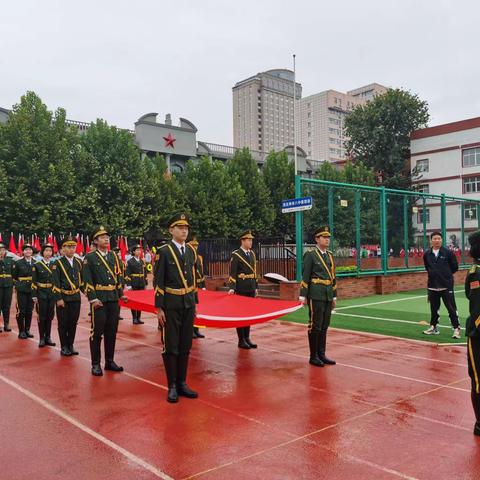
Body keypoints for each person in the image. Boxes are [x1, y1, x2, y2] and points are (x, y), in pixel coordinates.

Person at [154, 213, 199, 403]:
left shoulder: (190, 251)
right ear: (171, 230)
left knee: (185, 345)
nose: (184, 231)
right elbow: (159, 281)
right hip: (171, 305)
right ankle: (171, 385)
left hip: (187, 304)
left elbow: (193, 279)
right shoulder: (163, 251)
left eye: (186, 228)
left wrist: (194, 303)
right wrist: (159, 308)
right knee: (171, 346)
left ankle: (182, 383)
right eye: (180, 227)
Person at [82, 227, 126, 376]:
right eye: (101, 237)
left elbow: (118, 276)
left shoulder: (114, 256)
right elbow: (86, 280)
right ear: (95, 241)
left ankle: (109, 361)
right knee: (97, 332)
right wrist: (92, 298)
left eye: (107, 236)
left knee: (111, 331)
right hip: (99, 299)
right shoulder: (90, 258)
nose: (106, 239)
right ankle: (95, 364)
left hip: (113, 298)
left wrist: (120, 293)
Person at [299, 226, 337, 367]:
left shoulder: (329, 255)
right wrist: (303, 295)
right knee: (315, 325)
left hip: (327, 293)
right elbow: (305, 276)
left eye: (328, 237)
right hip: (316, 294)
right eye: (324, 237)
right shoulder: (311, 255)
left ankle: (322, 354)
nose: (327, 240)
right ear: (317, 239)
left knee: (325, 325)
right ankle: (313, 356)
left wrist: (334, 296)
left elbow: (333, 277)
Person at [422, 231, 460, 338]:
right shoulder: (427, 254)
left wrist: (445, 276)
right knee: (434, 309)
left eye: (439, 238)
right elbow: (427, 268)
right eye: (435, 238)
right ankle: (433, 327)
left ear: (441, 240)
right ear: (431, 240)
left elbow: (455, 267)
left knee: (451, 308)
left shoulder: (448, 253)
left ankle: (456, 328)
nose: (437, 240)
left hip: (446, 285)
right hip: (433, 285)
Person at [52, 236, 83, 356]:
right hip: (63, 297)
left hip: (75, 297)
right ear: (63, 248)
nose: (71, 249)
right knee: (63, 323)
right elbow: (55, 282)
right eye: (68, 247)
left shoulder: (78, 262)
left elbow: (82, 281)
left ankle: (71, 344)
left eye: (73, 246)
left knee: (73, 322)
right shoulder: (57, 263)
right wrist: (58, 298)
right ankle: (64, 346)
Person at [227, 229, 258, 349]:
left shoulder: (252, 254)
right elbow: (233, 273)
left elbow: (254, 272)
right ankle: (241, 339)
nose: (251, 242)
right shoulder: (236, 255)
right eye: (249, 240)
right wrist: (232, 288)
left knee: (249, 314)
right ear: (242, 241)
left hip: (250, 287)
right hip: (241, 288)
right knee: (241, 315)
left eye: (251, 240)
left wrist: (256, 287)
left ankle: (247, 337)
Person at [464, 230, 480, 436]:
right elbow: (477, 306)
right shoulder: (476, 271)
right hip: (479, 334)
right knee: (479, 380)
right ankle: (479, 423)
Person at [32, 243, 56, 348]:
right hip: (41, 293)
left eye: (50, 251)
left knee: (50, 316)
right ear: (42, 252)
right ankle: (42, 338)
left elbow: (56, 281)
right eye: (46, 250)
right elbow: (34, 281)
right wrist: (34, 295)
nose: (48, 253)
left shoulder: (55, 265)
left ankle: (48, 337)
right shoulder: (37, 265)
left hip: (51, 292)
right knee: (42, 316)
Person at [12, 243, 35, 339]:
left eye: (30, 250)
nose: (28, 251)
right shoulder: (18, 263)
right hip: (21, 289)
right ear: (23, 251)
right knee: (21, 310)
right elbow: (14, 277)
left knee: (30, 310)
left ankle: (27, 329)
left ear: (32, 251)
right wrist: (18, 286)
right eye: (26, 250)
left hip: (32, 289)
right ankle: (21, 331)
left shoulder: (36, 263)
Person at [125, 244, 147, 324]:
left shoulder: (142, 261)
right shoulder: (130, 261)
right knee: (134, 301)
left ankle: (139, 317)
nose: (139, 251)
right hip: (134, 282)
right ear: (133, 252)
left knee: (140, 301)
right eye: (137, 250)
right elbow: (127, 273)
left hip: (141, 282)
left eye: (140, 250)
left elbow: (145, 272)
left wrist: (146, 282)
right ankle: (134, 318)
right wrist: (129, 285)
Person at [188, 236, 206, 339]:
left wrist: (203, 285)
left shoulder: (199, 257)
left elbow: (201, 272)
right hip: (191, 286)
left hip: (199, 285)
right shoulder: (189, 256)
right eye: (193, 245)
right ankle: (191, 330)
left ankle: (197, 329)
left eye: (196, 246)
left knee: (198, 310)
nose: (195, 247)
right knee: (192, 310)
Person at [0, 242, 14, 332]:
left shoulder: (10, 260)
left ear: (5, 251)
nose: (1, 252)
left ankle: (6, 324)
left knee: (7, 305)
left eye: (2, 250)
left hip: (8, 285)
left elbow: (14, 272)